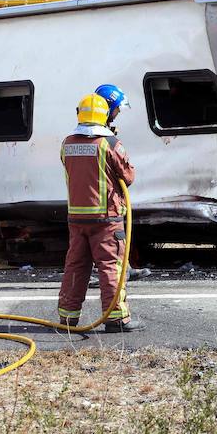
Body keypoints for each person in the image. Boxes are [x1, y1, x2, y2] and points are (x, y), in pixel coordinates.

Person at [57, 89, 142, 332]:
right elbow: (128, 175)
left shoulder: (67, 143)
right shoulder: (110, 143)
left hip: (77, 217)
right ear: (105, 116)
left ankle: (67, 318)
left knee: (75, 266)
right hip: (106, 218)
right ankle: (116, 319)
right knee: (110, 266)